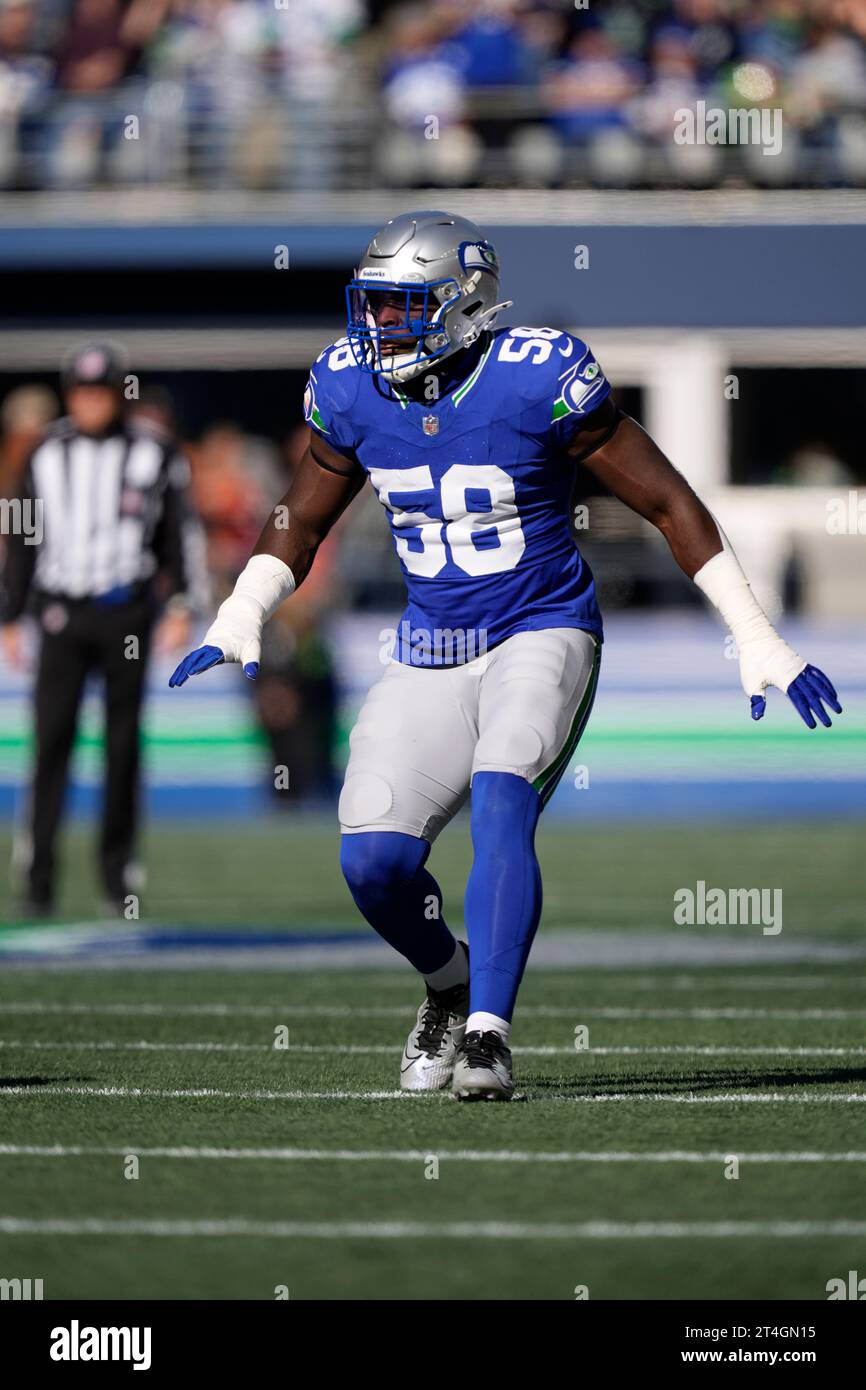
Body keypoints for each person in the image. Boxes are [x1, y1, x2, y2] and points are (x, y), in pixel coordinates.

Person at [169, 210, 841, 1102]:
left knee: (500, 798)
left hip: (542, 626)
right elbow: (303, 514)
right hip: (430, 645)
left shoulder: (536, 377)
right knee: (372, 862)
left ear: (464, 305)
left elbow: (672, 503)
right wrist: (246, 605)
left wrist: (756, 636)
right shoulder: (349, 387)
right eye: (373, 307)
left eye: (404, 308)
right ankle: (449, 981)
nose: (379, 328)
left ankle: (488, 1033)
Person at [0, 341, 207, 915]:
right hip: (61, 610)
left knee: (121, 747)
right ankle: (37, 878)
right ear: (71, 395)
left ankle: (119, 875)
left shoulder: (154, 451)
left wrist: (183, 603)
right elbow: (20, 535)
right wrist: (11, 615)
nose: (92, 402)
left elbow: (179, 532)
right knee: (51, 745)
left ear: (120, 393)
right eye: (82, 391)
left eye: (102, 390)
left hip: (126, 613)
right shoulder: (43, 451)